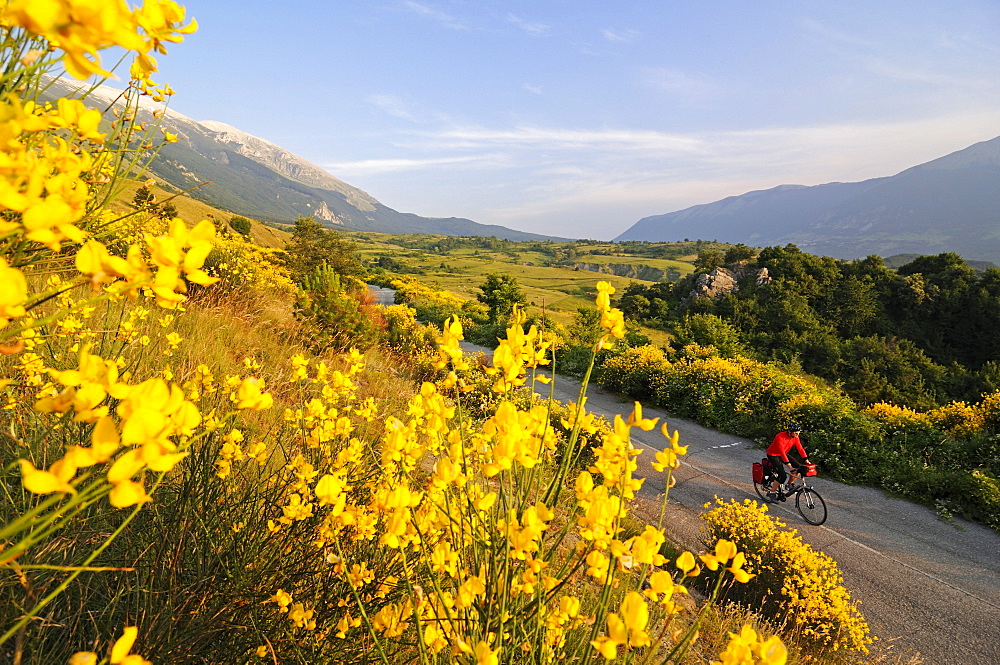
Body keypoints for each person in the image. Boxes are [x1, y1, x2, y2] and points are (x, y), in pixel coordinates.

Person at [765, 422, 811, 502]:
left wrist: (807, 461)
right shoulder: (780, 436)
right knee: (782, 476)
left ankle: (789, 484)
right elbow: (781, 452)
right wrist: (789, 466)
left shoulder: (795, 437)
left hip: (784, 454)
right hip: (773, 455)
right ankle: (772, 492)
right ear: (790, 432)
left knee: (799, 468)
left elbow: (800, 449)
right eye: (796, 433)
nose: (798, 435)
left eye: (798, 433)